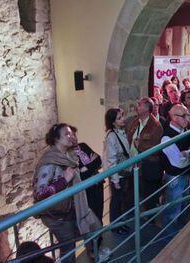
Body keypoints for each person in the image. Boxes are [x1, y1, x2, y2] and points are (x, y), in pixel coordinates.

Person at [33, 124, 101, 263]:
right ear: (56, 139)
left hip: (72, 209)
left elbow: (97, 161)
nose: (71, 137)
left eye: (71, 133)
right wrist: (64, 180)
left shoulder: (69, 156)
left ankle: (93, 254)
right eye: (67, 134)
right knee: (68, 249)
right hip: (57, 216)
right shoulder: (49, 162)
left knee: (91, 227)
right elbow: (39, 193)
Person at [160, 104, 190, 233]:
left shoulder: (184, 131)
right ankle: (169, 238)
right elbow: (178, 163)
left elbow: (186, 157)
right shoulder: (167, 137)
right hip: (175, 178)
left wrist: (188, 154)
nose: (188, 118)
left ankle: (180, 233)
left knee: (184, 206)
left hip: (184, 175)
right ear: (174, 117)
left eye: (187, 115)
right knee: (173, 211)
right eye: (184, 116)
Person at [126, 97, 163, 212]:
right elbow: (129, 138)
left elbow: (156, 149)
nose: (137, 106)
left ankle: (150, 218)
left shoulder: (156, 126)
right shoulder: (134, 121)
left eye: (140, 104)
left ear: (147, 109)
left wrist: (139, 146)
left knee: (148, 194)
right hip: (132, 164)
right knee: (132, 191)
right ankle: (133, 213)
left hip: (146, 166)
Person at [103, 108, 132, 235]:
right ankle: (115, 226)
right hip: (118, 175)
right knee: (116, 201)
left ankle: (120, 224)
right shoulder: (112, 136)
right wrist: (115, 180)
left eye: (122, 116)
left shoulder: (120, 132)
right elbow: (111, 160)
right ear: (113, 122)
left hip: (123, 172)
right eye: (119, 118)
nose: (123, 119)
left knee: (120, 200)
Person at [69, 126, 104, 224]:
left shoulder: (83, 146)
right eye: (70, 136)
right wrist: (91, 164)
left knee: (99, 214)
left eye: (74, 135)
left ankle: (100, 237)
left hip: (98, 184)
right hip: (86, 190)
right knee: (90, 218)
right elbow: (80, 175)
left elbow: (99, 160)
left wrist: (86, 167)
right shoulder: (69, 155)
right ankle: (92, 239)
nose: (74, 138)